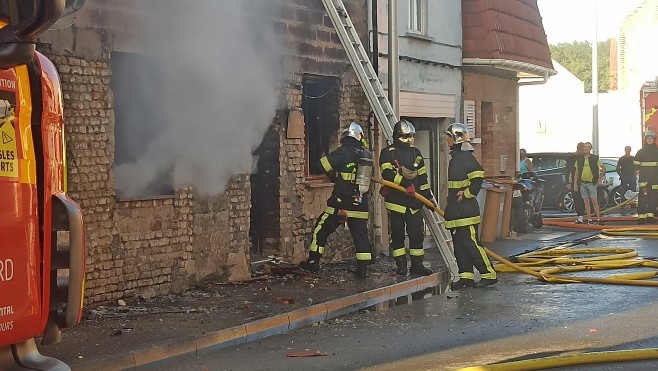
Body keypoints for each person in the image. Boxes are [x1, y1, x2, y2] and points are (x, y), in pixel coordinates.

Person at [299, 122, 373, 278]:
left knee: (321, 229)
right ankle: (362, 270)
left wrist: (332, 171)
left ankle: (313, 262)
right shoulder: (364, 155)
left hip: (341, 203)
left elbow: (321, 166)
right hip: (360, 204)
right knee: (360, 236)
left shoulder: (343, 152)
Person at [442, 123, 497, 289]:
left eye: (449, 138)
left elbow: (478, 177)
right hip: (457, 211)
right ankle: (466, 276)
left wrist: (466, 194)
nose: (446, 141)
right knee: (460, 246)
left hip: (466, 211)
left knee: (472, 244)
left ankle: (489, 274)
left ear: (456, 139)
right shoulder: (457, 158)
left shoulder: (465, 158)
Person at [379, 119, 434, 276]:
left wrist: (428, 196)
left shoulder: (416, 153)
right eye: (406, 136)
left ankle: (417, 265)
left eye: (411, 136)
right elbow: (388, 174)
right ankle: (401, 266)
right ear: (397, 136)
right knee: (397, 235)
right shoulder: (387, 153)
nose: (409, 140)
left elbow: (423, 177)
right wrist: (404, 184)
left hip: (415, 202)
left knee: (417, 235)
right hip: (396, 202)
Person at [572, 142, 604, 225]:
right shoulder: (579, 159)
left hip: (592, 183)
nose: (586, 148)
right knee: (586, 201)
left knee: (594, 201)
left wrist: (600, 178)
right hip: (582, 183)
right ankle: (589, 218)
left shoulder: (595, 158)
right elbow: (577, 171)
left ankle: (598, 218)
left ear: (590, 149)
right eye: (585, 147)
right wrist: (575, 183)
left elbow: (603, 168)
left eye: (588, 147)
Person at [634, 130, 658, 224]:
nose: (649, 140)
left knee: (653, 198)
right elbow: (635, 164)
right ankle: (641, 217)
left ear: (654, 139)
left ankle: (650, 216)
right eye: (648, 138)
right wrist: (641, 171)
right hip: (644, 178)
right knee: (643, 197)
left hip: (655, 178)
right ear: (645, 139)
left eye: (651, 138)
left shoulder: (657, 151)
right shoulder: (641, 152)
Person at [566, 142, 586, 223]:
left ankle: (584, 215)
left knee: (584, 198)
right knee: (577, 198)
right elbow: (568, 170)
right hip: (575, 180)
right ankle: (580, 215)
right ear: (579, 149)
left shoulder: (584, 157)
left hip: (583, 179)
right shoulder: (572, 157)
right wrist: (568, 182)